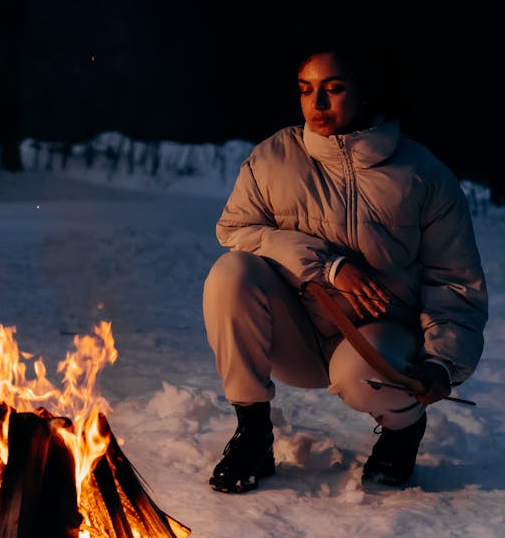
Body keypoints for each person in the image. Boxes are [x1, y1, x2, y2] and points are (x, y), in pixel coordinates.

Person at [202, 35, 488, 492]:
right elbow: (234, 229)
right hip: (297, 332)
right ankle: (253, 432)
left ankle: (402, 431)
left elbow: (454, 279)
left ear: (364, 89)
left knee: (360, 377)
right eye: (305, 88)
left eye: (333, 88)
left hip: (378, 341)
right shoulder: (273, 159)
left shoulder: (422, 174)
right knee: (230, 273)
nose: (316, 102)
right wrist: (327, 265)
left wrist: (441, 362)